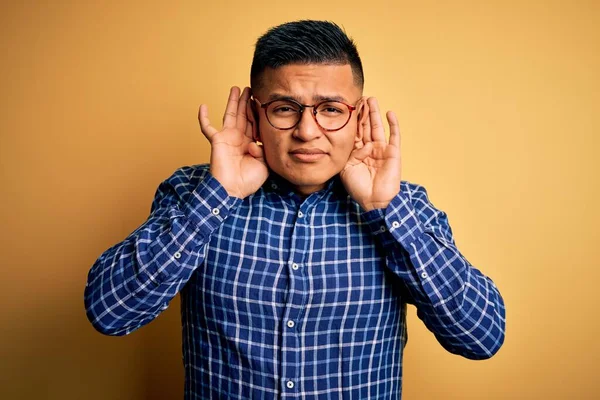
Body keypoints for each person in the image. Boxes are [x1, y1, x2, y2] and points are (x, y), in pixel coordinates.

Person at [84, 20, 505, 399]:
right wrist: (217, 195)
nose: (307, 131)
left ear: (358, 119)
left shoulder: (404, 206)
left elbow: (481, 337)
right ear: (254, 113)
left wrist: (386, 210)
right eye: (285, 108)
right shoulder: (194, 193)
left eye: (331, 110)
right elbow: (109, 312)